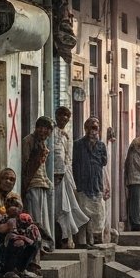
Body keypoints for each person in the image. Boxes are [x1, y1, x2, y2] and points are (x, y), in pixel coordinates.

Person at [49, 106, 90, 248]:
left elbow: (67, 158)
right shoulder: (52, 133)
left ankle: (68, 239)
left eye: (67, 116)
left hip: (66, 176)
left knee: (69, 208)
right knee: (60, 208)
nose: (64, 118)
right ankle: (62, 239)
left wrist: (69, 176)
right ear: (56, 116)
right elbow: (56, 155)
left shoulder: (65, 134)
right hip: (56, 177)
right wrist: (57, 174)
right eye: (61, 115)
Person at [71, 117, 109, 246]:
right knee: (83, 214)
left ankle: (95, 239)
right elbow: (74, 164)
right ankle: (83, 241)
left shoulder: (101, 145)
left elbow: (104, 162)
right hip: (82, 184)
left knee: (97, 213)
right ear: (85, 129)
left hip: (96, 183)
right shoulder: (78, 144)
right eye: (90, 128)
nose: (92, 131)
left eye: (95, 128)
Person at [21, 117, 56, 252]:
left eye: (46, 128)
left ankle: (42, 245)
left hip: (41, 183)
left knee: (42, 217)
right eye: (40, 127)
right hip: (32, 184)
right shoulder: (29, 141)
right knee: (35, 217)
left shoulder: (43, 143)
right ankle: (35, 246)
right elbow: (26, 164)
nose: (43, 130)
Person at [0, 198, 41, 278]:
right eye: (11, 206)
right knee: (19, 243)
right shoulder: (8, 219)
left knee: (34, 245)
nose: (14, 208)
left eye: (16, 206)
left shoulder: (23, 218)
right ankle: (10, 270)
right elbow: (9, 233)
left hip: (22, 241)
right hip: (10, 244)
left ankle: (21, 270)